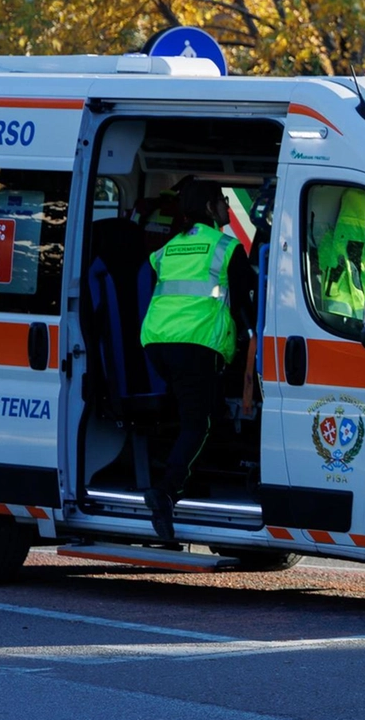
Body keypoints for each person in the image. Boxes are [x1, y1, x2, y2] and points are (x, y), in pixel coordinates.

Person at [139, 178, 255, 540]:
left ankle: (190, 478)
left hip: (156, 342)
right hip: (195, 344)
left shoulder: (168, 248)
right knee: (197, 423)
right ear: (209, 208)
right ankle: (166, 491)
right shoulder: (226, 246)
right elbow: (246, 302)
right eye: (222, 201)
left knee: (198, 412)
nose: (227, 207)